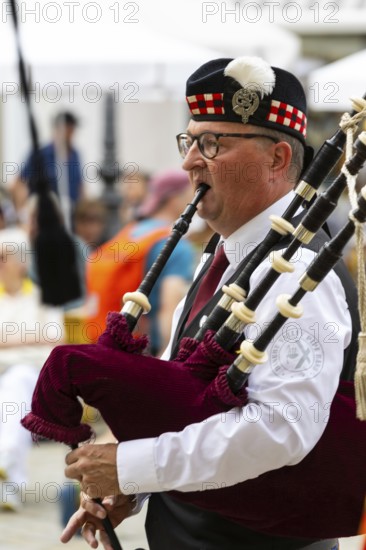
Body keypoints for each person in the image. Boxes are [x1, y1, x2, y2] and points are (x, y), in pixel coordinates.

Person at [59, 56, 358, 549]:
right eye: (190, 140)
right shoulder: (221, 253)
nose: (189, 160)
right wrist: (134, 484)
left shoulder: (301, 271)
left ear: (278, 160)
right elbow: (187, 401)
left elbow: (281, 429)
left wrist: (133, 466)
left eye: (212, 142)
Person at [86, 169, 195, 355]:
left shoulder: (130, 231)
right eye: (190, 193)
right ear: (174, 198)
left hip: (106, 339)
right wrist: (165, 359)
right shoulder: (177, 245)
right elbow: (169, 308)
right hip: (143, 348)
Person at [0, 227, 64, 511]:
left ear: (22, 262)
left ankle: (4, 459)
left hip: (28, 374)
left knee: (17, 383)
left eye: (4, 257)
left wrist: (8, 342)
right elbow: (43, 339)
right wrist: (29, 338)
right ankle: (9, 483)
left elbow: (54, 345)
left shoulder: (45, 298)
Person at [10, 111, 83, 229]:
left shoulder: (75, 154)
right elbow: (18, 184)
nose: (71, 134)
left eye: (72, 130)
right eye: (68, 129)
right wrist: (22, 213)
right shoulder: (41, 154)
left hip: (69, 216)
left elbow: (80, 185)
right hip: (44, 216)